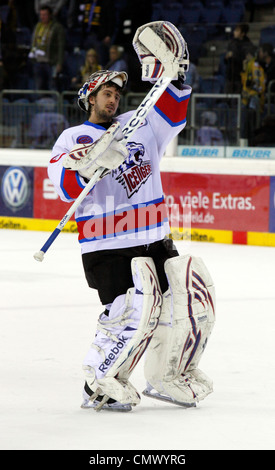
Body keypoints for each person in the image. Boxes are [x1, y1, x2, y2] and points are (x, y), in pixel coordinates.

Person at [47, 22, 215, 411]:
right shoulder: (71, 139)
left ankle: (167, 376)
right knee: (129, 316)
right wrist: (87, 164)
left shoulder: (137, 124)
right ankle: (99, 383)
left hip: (155, 238)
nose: (114, 99)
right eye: (107, 93)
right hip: (108, 246)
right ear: (90, 97)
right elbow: (67, 191)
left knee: (180, 310)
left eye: (118, 94)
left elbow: (172, 112)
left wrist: (176, 75)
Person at [28, 5, 65, 90]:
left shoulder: (57, 27)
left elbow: (61, 46)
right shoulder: (38, 26)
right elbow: (34, 42)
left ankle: (55, 102)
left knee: (52, 85)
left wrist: (59, 63)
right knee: (39, 86)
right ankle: (40, 102)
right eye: (41, 15)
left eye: (45, 15)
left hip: (51, 62)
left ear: (50, 15)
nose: (42, 17)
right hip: (38, 62)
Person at [240, 46, 265, 145]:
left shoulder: (255, 66)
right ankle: (245, 142)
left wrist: (252, 91)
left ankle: (252, 142)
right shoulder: (249, 66)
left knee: (251, 121)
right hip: (247, 98)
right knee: (245, 121)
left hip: (253, 98)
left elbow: (258, 84)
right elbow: (245, 82)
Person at [224, 23, 253, 94]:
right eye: (235, 30)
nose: (234, 32)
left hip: (241, 76)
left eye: (237, 31)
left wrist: (235, 57)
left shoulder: (248, 45)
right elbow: (226, 60)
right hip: (230, 75)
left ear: (243, 33)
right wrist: (227, 57)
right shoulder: (232, 43)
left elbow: (246, 59)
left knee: (238, 97)